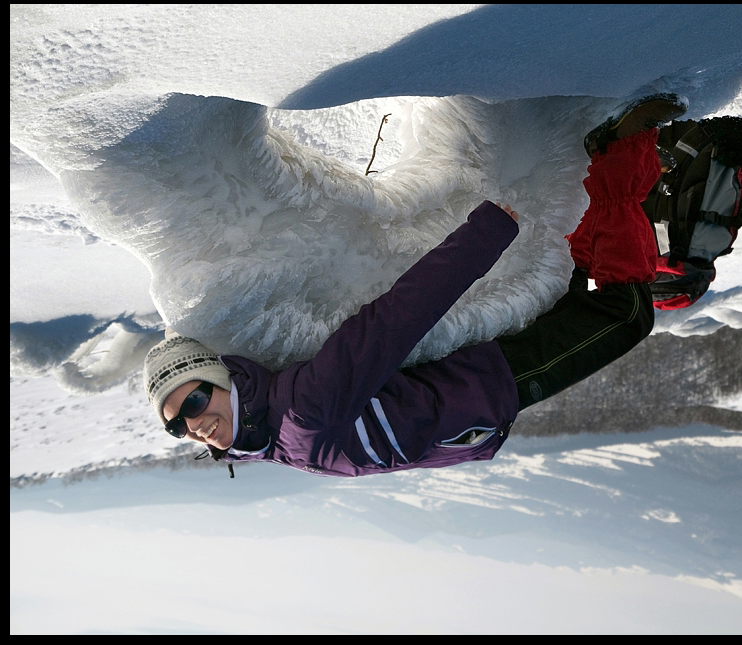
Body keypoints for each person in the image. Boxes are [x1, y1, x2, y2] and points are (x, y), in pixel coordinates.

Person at [143, 94, 687, 478]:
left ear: (217, 378)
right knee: (580, 287)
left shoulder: (303, 412)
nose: (192, 423)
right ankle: (604, 166)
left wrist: (483, 237)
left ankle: (623, 147)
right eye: (177, 425)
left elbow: (392, 323)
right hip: (481, 408)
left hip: (494, 384)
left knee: (627, 315)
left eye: (192, 398)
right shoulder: (270, 440)